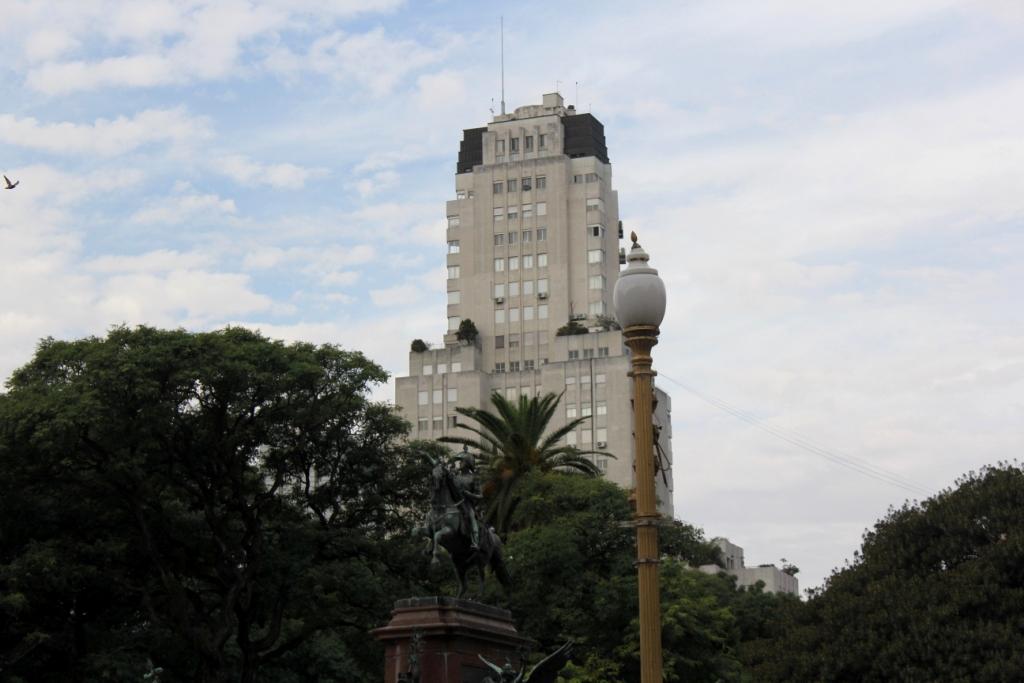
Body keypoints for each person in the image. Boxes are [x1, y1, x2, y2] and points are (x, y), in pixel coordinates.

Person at [453, 447, 483, 550]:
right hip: (455, 505)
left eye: (461, 461)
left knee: (471, 518)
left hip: (468, 504)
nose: (459, 463)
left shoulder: (474, 478)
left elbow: (480, 496)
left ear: (467, 462)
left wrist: (469, 494)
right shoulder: (455, 477)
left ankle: (475, 541)